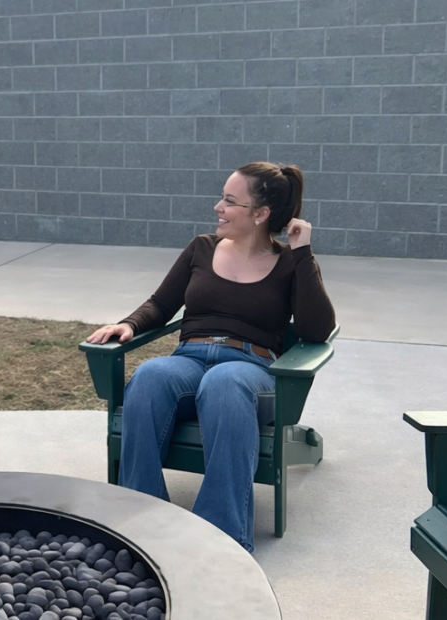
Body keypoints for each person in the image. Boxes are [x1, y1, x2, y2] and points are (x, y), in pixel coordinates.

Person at [86, 162, 335, 553]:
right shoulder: (201, 248)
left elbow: (317, 330)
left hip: (252, 369)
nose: (218, 206)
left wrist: (303, 253)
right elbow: (161, 302)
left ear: (260, 214)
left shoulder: (290, 263)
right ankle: (139, 518)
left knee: (224, 382)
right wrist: (130, 325)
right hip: (190, 357)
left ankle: (220, 539)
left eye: (230, 201)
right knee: (151, 375)